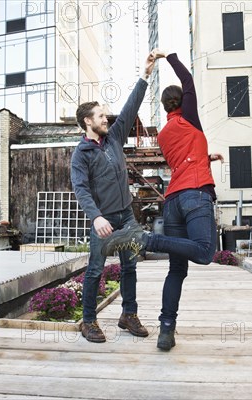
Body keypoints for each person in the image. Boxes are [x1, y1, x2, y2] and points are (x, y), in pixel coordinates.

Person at [101, 50, 223, 351]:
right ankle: (146, 240)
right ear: (182, 103)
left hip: (174, 201)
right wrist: (171, 57)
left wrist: (206, 157)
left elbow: (182, 161)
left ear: (165, 106)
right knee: (206, 252)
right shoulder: (190, 118)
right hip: (195, 195)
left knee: (177, 270)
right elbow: (189, 80)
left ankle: (166, 330)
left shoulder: (165, 134)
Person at [70, 51, 157, 343]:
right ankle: (89, 321)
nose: (106, 117)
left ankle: (127, 315)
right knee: (95, 270)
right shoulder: (81, 154)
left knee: (130, 266)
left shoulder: (114, 137)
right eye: (100, 115)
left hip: (126, 216)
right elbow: (80, 188)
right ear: (87, 122)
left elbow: (131, 107)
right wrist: (95, 217)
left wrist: (145, 74)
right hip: (104, 221)